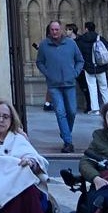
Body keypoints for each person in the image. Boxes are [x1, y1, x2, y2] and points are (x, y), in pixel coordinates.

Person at [36, 21, 85, 152]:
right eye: (52, 29)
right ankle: (68, 142)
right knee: (60, 112)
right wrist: (47, 73)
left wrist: (75, 73)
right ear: (49, 31)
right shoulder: (44, 45)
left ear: (61, 30)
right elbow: (39, 62)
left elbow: (80, 60)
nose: (55, 32)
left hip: (69, 83)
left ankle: (65, 132)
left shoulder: (70, 43)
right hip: (54, 84)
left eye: (57, 29)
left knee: (72, 111)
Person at [76, 21, 108, 113]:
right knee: (104, 87)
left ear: (86, 28)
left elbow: (78, 53)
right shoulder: (99, 38)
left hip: (88, 67)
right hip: (100, 67)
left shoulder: (82, 40)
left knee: (92, 88)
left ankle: (95, 109)